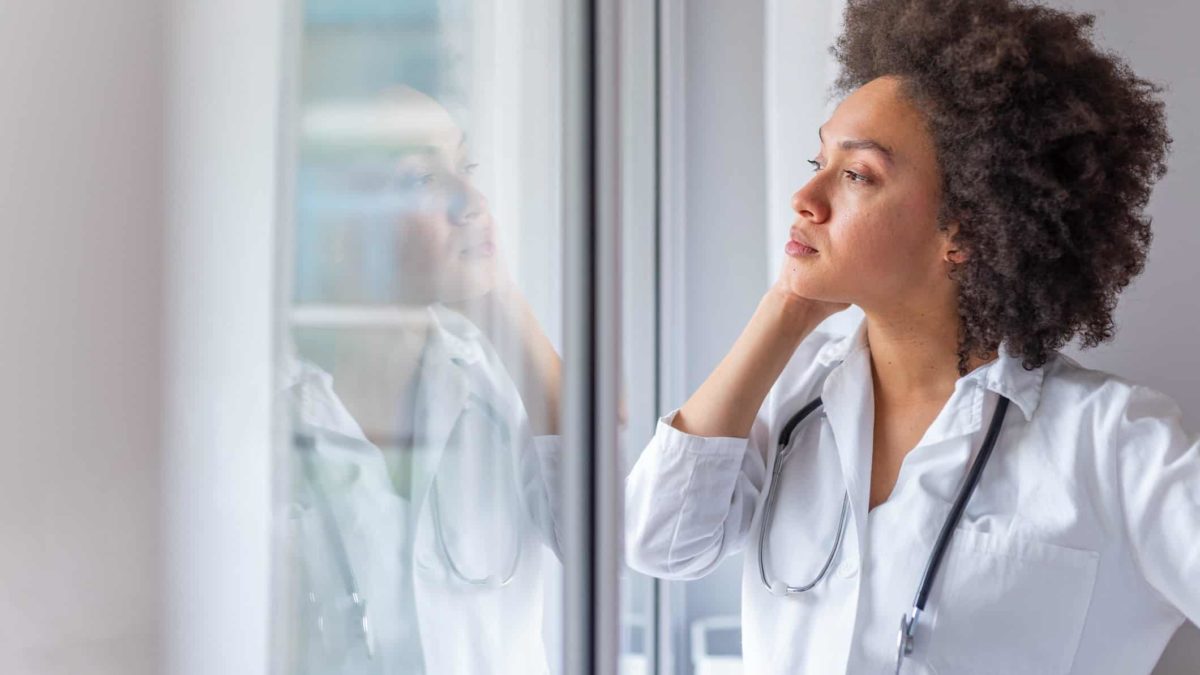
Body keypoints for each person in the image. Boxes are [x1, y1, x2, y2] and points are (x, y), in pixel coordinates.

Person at [625, 0, 1193, 673]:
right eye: (818, 158)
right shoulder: (796, 399)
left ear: (965, 230)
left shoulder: (1111, 442)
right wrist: (786, 308)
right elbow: (660, 540)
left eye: (856, 174)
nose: (805, 196)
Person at [281, 86, 566, 675]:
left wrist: (500, 299)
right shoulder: (256, 407)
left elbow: (615, 535)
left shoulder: (493, 379)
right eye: (419, 179)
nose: (473, 201)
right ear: (330, 232)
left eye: (465, 167)